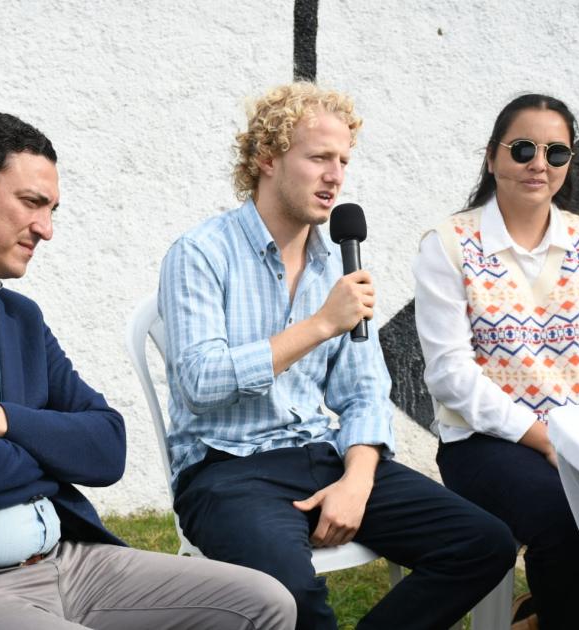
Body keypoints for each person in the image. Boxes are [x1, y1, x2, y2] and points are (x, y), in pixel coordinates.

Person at [0, 108, 296, 630]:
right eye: (31, 203)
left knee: (266, 603)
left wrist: (2, 421)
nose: (45, 229)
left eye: (52, 209)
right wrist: (48, 454)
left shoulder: (18, 317)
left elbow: (108, 447)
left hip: (68, 562)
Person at [158, 82, 516, 630]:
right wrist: (322, 323)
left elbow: (364, 392)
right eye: (319, 157)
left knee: (483, 544)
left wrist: (358, 479)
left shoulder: (335, 265)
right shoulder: (201, 253)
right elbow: (201, 383)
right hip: (226, 470)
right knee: (288, 595)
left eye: (344, 160)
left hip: (320, 456)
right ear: (267, 158)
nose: (336, 176)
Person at [413, 94, 579, 629]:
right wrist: (546, 438)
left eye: (556, 153)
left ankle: (539, 615)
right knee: (570, 516)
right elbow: (450, 374)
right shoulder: (449, 243)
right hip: (483, 444)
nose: (540, 163)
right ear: (492, 157)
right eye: (523, 149)